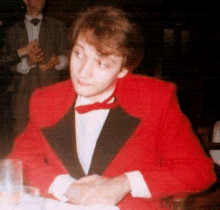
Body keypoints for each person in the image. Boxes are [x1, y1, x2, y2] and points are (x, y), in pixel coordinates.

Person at [9, 5, 216, 210]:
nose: (83, 72)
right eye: (79, 54)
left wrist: (126, 183)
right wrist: (65, 186)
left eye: (101, 63)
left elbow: (199, 171)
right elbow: (20, 160)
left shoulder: (155, 99)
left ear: (123, 69)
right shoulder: (46, 99)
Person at [2, 0, 69, 136]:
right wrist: (28, 63)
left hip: (51, 93)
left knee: (51, 138)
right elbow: (6, 64)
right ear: (25, 1)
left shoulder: (58, 26)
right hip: (21, 97)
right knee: (22, 139)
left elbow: (70, 55)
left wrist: (59, 61)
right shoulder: (11, 31)